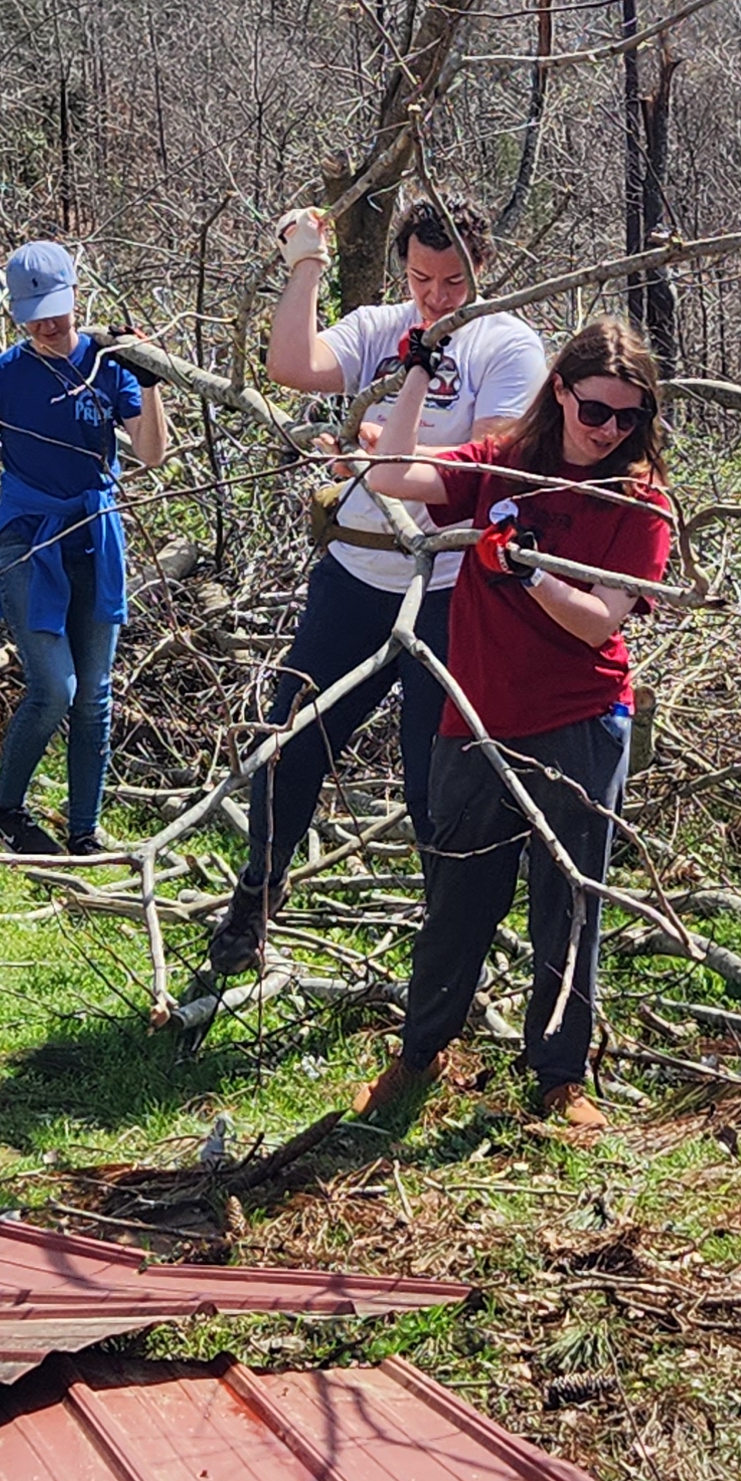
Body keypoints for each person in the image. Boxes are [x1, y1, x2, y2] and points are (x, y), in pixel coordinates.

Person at [205, 198, 548, 982]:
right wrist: (307, 263)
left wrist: (381, 442)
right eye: (422, 277)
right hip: (358, 571)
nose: (436, 296)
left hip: (451, 589)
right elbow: (291, 366)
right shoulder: (381, 326)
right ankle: (256, 895)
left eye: (454, 280)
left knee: (435, 781)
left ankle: (445, 947)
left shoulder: (509, 345)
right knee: (288, 741)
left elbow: (484, 460)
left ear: (482, 269)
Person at [350, 318, 675, 1132]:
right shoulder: (501, 467)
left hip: (581, 721)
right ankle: (419, 1056)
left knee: (568, 902)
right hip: (478, 720)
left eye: (628, 419)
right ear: (561, 390)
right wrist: (415, 375)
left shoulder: (641, 502)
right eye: (595, 410)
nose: (608, 432)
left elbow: (600, 623)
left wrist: (525, 569)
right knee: (458, 897)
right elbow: (390, 472)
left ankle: (561, 1077)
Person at [0, 239, 172, 856]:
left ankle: (84, 831)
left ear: (76, 296)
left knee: (94, 694)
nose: (49, 324)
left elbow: (153, 453)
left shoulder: (109, 364)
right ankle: (3, 812)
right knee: (53, 687)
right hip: (27, 539)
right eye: (34, 314)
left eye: (56, 309)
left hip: (94, 535)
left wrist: (149, 376)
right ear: (16, 312)